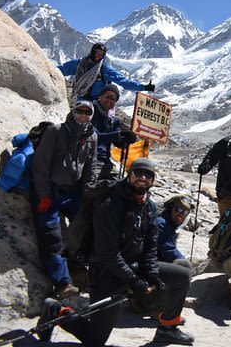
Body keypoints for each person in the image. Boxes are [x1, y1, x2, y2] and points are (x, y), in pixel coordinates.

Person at [37, 158, 194, 346]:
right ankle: (58, 312)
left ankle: (168, 328)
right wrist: (134, 281)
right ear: (129, 176)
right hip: (106, 272)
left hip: (133, 266)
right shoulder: (110, 204)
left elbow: (150, 247)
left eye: (148, 174)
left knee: (182, 275)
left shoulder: (149, 207)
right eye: (138, 173)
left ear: (153, 180)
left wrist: (151, 275)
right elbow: (107, 252)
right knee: (95, 340)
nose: (142, 178)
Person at [30, 100, 98, 299]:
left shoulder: (92, 136)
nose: (83, 114)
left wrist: (89, 197)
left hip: (70, 192)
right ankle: (63, 283)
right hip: (48, 191)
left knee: (91, 222)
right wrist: (42, 194)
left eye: (87, 112)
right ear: (73, 111)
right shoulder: (56, 131)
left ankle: (83, 268)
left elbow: (90, 170)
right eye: (80, 111)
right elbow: (40, 165)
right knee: (51, 235)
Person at [57, 42, 155, 101]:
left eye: (101, 54)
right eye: (96, 53)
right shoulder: (79, 64)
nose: (98, 56)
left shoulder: (104, 69)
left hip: (98, 103)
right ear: (92, 52)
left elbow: (123, 82)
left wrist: (144, 87)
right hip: (80, 100)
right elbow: (60, 70)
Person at [91, 83, 138, 179]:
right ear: (100, 96)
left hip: (105, 161)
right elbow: (93, 137)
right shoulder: (89, 112)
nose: (110, 100)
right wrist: (119, 134)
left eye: (113, 99)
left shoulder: (113, 120)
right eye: (107, 96)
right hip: (89, 159)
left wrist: (126, 140)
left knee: (120, 186)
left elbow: (118, 143)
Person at [157, 194, 195, 269]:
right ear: (171, 208)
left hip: (156, 261)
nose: (181, 214)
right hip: (147, 264)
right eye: (178, 209)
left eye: (185, 212)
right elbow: (169, 251)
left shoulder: (169, 224)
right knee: (185, 265)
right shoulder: (162, 224)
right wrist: (183, 259)